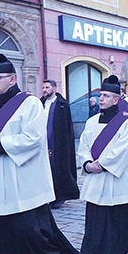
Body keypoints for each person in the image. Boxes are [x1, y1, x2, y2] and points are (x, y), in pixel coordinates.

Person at [0, 54, 85, 254]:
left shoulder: (30, 103)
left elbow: (34, 138)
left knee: (26, 233)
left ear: (12, 79)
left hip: (21, 180)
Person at [75, 76, 128, 254]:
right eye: (100, 95)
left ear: (116, 100)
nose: (102, 99)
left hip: (117, 176)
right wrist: (88, 163)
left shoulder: (126, 122)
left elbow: (126, 149)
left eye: (106, 96)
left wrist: (104, 164)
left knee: (125, 214)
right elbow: (84, 146)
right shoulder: (91, 122)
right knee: (95, 217)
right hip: (96, 177)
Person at [40, 79, 80, 209]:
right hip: (42, 143)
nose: (44, 90)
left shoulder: (62, 105)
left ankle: (58, 196)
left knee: (57, 169)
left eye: (47, 87)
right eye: (43, 87)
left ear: (54, 89)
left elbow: (66, 128)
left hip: (58, 143)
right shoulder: (40, 103)